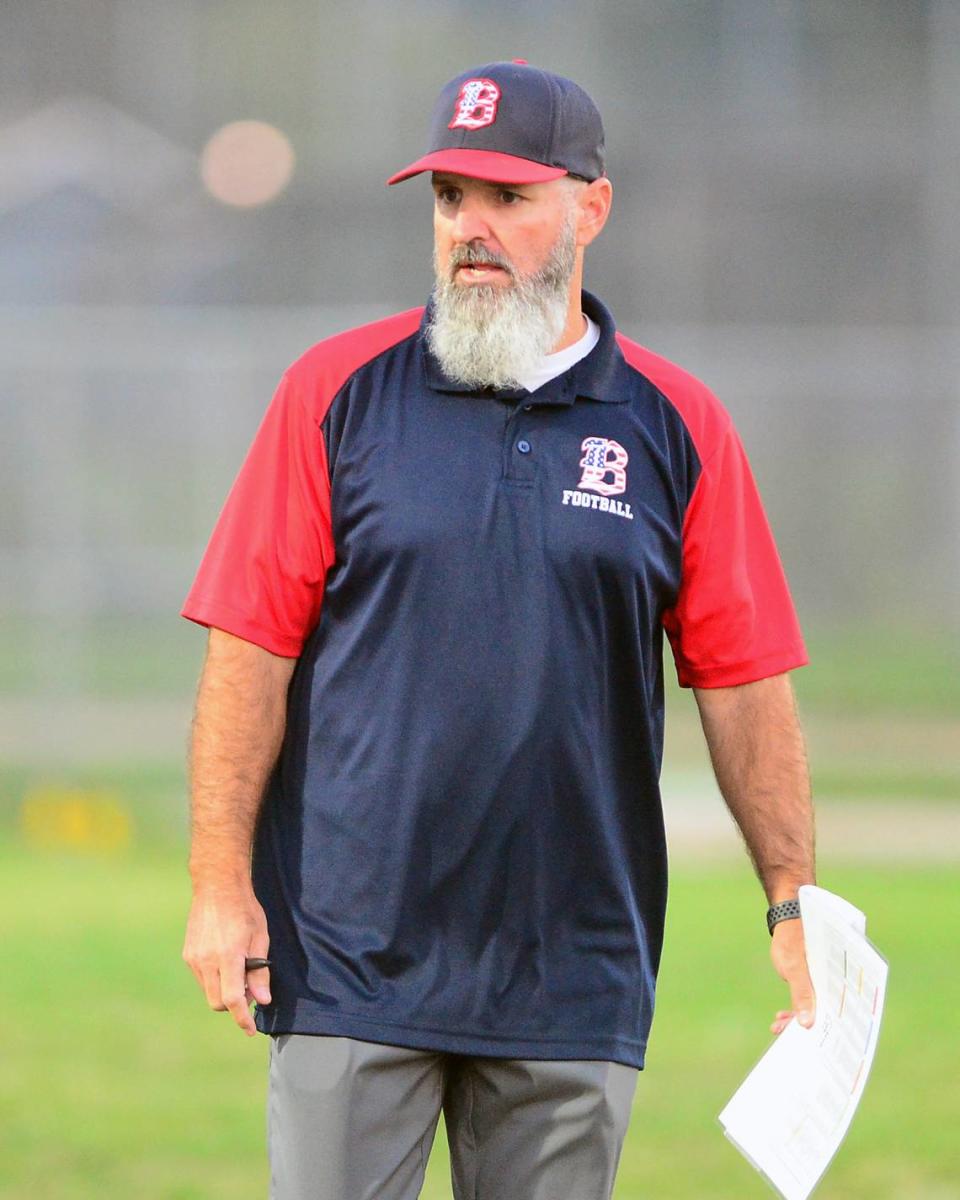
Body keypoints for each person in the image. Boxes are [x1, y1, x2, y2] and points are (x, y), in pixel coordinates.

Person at [181, 60, 816, 1200]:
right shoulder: (333, 392)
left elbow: (744, 680)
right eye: (448, 199)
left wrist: (793, 901)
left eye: (507, 198)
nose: (470, 227)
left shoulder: (680, 424)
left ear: (591, 206)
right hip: (348, 956)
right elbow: (248, 651)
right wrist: (221, 885)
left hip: (573, 970)